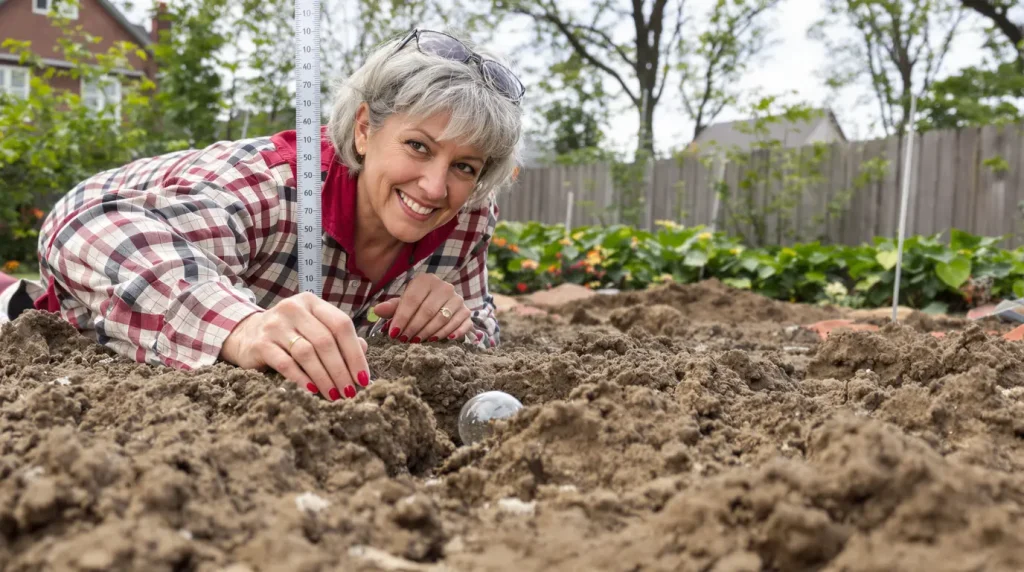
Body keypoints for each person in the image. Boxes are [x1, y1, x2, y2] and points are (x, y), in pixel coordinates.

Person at [0, 28, 524, 402]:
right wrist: (242, 327)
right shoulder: (273, 187)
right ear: (365, 129)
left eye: (464, 165)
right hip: (74, 304)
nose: (435, 186)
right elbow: (83, 223)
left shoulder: (467, 216)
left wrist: (449, 320)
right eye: (417, 146)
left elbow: (482, 325)